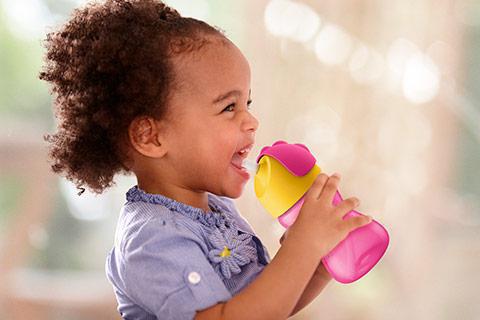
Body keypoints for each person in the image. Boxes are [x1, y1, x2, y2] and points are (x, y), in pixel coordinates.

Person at [39, 0, 372, 319]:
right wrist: (302, 247)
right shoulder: (152, 239)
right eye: (229, 107)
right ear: (151, 137)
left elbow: (265, 305)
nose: (251, 121)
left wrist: (318, 262)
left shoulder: (213, 208)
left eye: (247, 104)